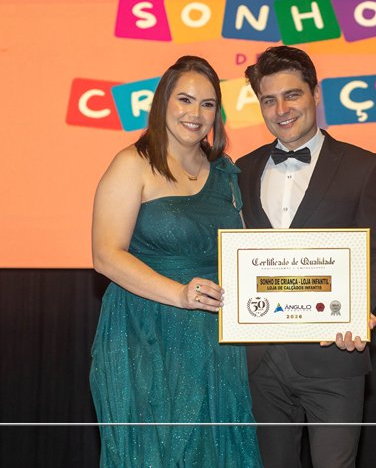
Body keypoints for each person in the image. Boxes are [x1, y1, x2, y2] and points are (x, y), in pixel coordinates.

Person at [90, 56, 262, 467]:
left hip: (213, 340)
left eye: (207, 104)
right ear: (163, 102)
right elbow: (105, 255)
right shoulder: (132, 164)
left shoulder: (225, 172)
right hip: (144, 333)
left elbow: (246, 256)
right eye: (185, 99)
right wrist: (180, 294)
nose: (195, 113)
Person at [236, 46, 376, 468]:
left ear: (316, 93)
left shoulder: (364, 167)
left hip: (334, 355)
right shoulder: (241, 169)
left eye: (292, 95)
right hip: (259, 361)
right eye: (269, 100)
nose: (281, 110)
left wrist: (357, 307)